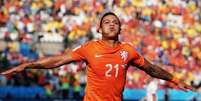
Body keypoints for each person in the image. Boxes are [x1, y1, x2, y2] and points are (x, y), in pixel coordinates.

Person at [0, 12, 195, 101]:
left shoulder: (129, 51)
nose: (111, 24)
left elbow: (151, 68)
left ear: (120, 28)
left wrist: (175, 79)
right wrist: (28, 65)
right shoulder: (89, 48)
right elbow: (58, 60)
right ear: (99, 29)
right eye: (107, 22)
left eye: (115, 22)